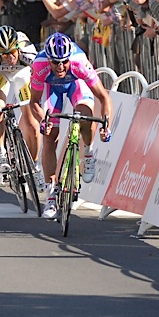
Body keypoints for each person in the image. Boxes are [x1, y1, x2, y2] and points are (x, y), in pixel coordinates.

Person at [29, 33, 112, 220]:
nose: (60, 67)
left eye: (64, 62)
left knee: (85, 115)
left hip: (76, 84)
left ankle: (88, 153)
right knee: (50, 136)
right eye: (55, 62)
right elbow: (34, 101)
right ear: (48, 59)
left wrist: (106, 126)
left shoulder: (79, 61)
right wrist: (44, 120)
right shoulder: (40, 64)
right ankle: (51, 194)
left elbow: (103, 98)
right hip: (53, 90)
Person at [0, 25, 39, 183]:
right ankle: (1, 151)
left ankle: (34, 166)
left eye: (12, 52)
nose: (9, 58)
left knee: (31, 123)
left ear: (18, 47)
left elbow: (41, 81)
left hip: (22, 74)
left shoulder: (30, 53)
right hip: (0, 75)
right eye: (4, 55)